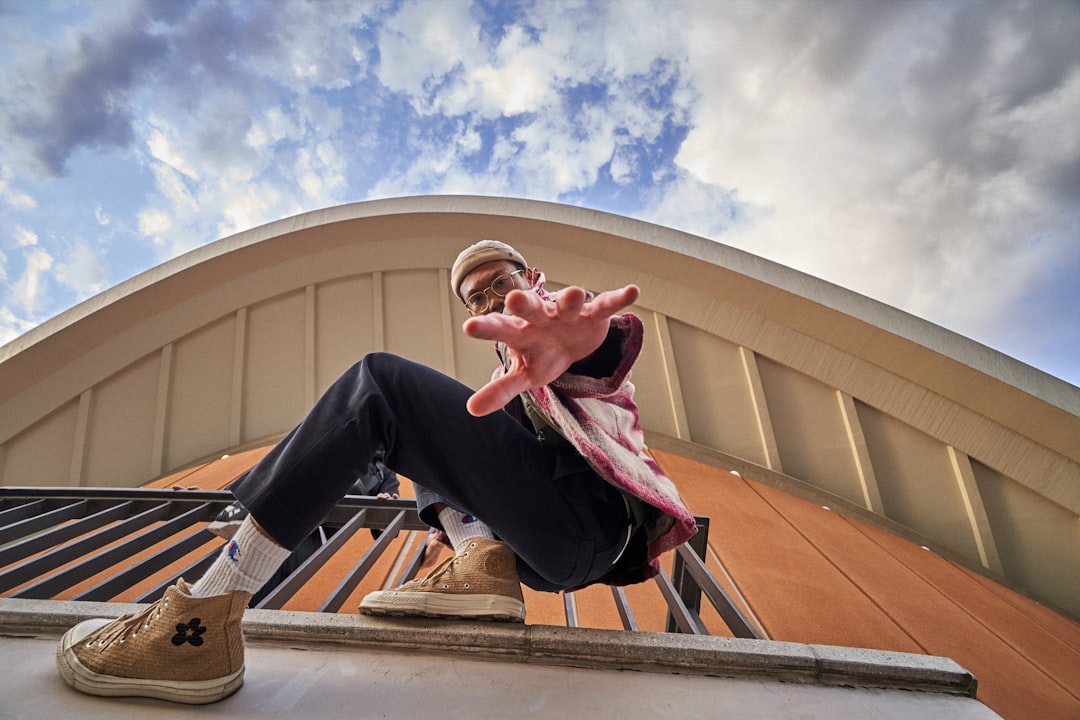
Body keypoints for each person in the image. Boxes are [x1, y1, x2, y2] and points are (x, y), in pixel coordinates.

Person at [54, 240, 697, 705]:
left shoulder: (561, 327)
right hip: (552, 544)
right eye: (479, 297)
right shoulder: (500, 388)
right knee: (429, 431)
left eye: (502, 283)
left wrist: (589, 340)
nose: (495, 299)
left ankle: (204, 611)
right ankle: (481, 565)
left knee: (380, 382)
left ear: (533, 276)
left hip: (593, 520)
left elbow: (606, 354)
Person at [206, 453, 401, 605]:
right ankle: (209, 606)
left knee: (276, 570)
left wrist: (386, 505)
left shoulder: (384, 471)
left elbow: (386, 522)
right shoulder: (338, 437)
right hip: (288, 509)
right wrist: (218, 498)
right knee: (242, 557)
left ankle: (237, 616)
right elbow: (279, 461)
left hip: (316, 532)